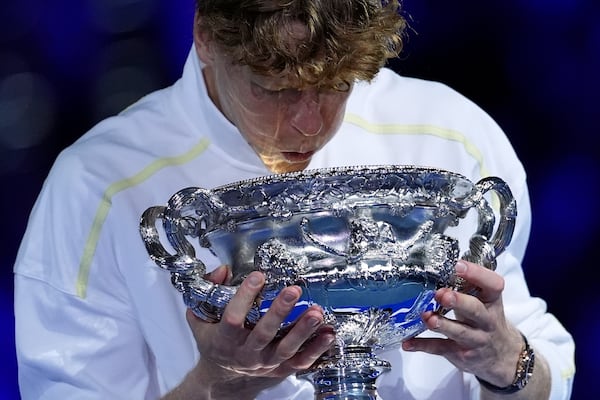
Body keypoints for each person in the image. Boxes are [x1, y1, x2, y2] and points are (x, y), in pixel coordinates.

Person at [13, 1, 575, 399]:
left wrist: (505, 361)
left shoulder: (451, 134)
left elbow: (541, 370)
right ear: (205, 35)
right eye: (275, 88)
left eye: (335, 84)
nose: (309, 124)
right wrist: (217, 385)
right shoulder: (99, 184)